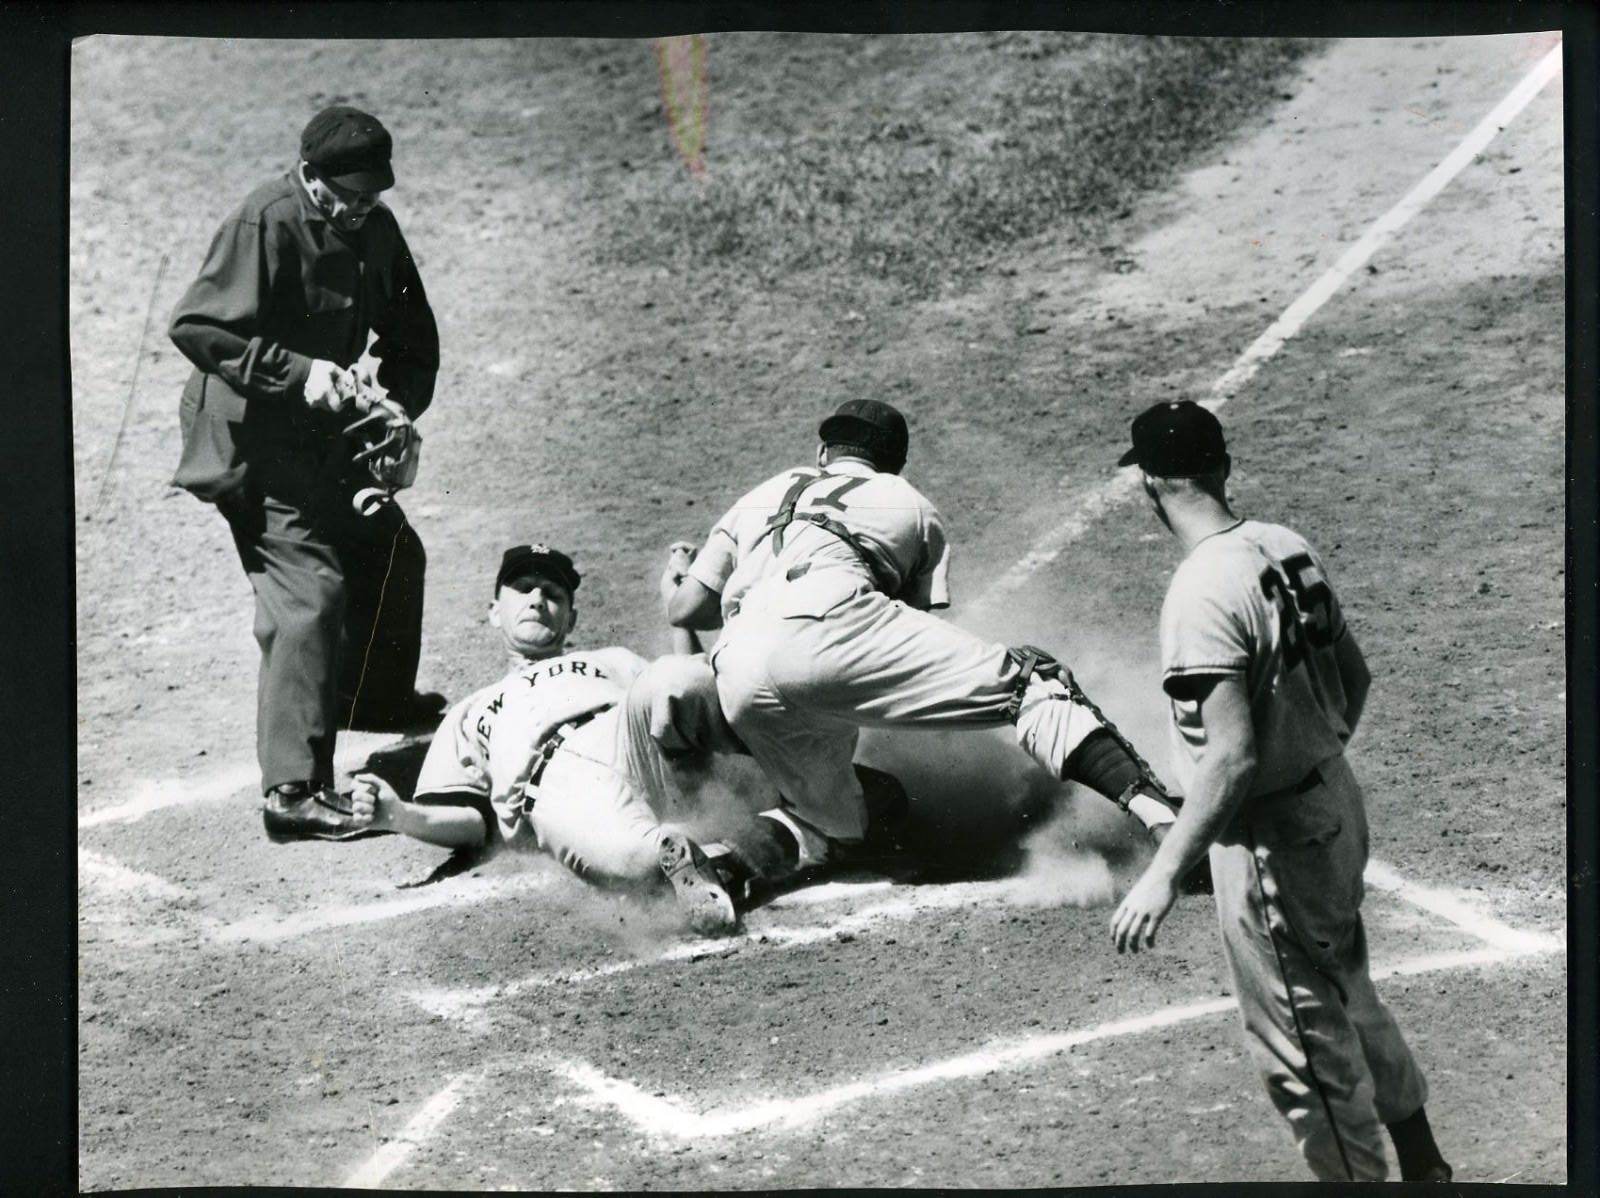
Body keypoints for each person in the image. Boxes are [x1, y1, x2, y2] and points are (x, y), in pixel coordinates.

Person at [1108, 400, 1451, 1183]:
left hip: (1268, 844)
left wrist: (1162, 874)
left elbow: (1228, 761)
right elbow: (1355, 678)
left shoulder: (1199, 593)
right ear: (1222, 466)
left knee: (1302, 1055)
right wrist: (1313, 761)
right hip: (1333, 801)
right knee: (1348, 986)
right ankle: (1427, 1170)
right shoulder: (1283, 545)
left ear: (1149, 485)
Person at [661, 399, 1183, 888]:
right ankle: (1167, 824)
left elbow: (688, 610)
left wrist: (678, 578)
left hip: (737, 668)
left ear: (823, 454)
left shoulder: (762, 493)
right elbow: (906, 625)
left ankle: (724, 866)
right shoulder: (908, 503)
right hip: (831, 628)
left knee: (833, 828)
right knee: (1032, 681)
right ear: (895, 463)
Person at [168, 106, 443, 843]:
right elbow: (198, 326)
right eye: (343, 192)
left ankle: (370, 700)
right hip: (250, 437)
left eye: (369, 193)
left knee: (390, 547)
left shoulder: (373, 228)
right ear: (310, 173)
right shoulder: (265, 221)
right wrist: (294, 372)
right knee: (310, 595)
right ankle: (292, 792)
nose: (357, 207)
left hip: (323, 430)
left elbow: (414, 337)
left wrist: (393, 409)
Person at [345, 543, 752, 933]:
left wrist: (679, 612)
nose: (537, 599)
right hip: (557, 785)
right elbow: (473, 822)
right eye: (523, 589)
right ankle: (739, 849)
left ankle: (785, 789)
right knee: (634, 859)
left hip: (630, 736)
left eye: (553, 593)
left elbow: (684, 699)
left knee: (678, 676)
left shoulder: (610, 659)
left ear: (571, 620)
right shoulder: (468, 712)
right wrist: (397, 815)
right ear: (494, 613)